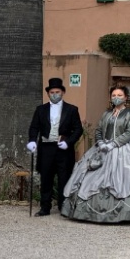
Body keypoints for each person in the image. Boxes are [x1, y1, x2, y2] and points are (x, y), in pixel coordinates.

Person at [61, 85, 130, 223]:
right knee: (94, 179)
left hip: (125, 149)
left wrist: (113, 144)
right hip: (103, 148)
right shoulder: (107, 114)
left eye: (119, 95)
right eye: (114, 95)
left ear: (126, 97)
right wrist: (101, 143)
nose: (116, 98)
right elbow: (98, 130)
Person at [27, 77, 83, 216]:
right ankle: (45, 207)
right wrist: (32, 140)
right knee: (46, 178)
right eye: (52, 92)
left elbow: (78, 129)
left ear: (62, 92)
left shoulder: (71, 109)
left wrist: (68, 142)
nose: (55, 94)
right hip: (46, 148)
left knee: (64, 178)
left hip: (63, 149)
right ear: (48, 93)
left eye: (57, 91)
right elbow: (34, 127)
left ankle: (63, 206)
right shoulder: (40, 109)